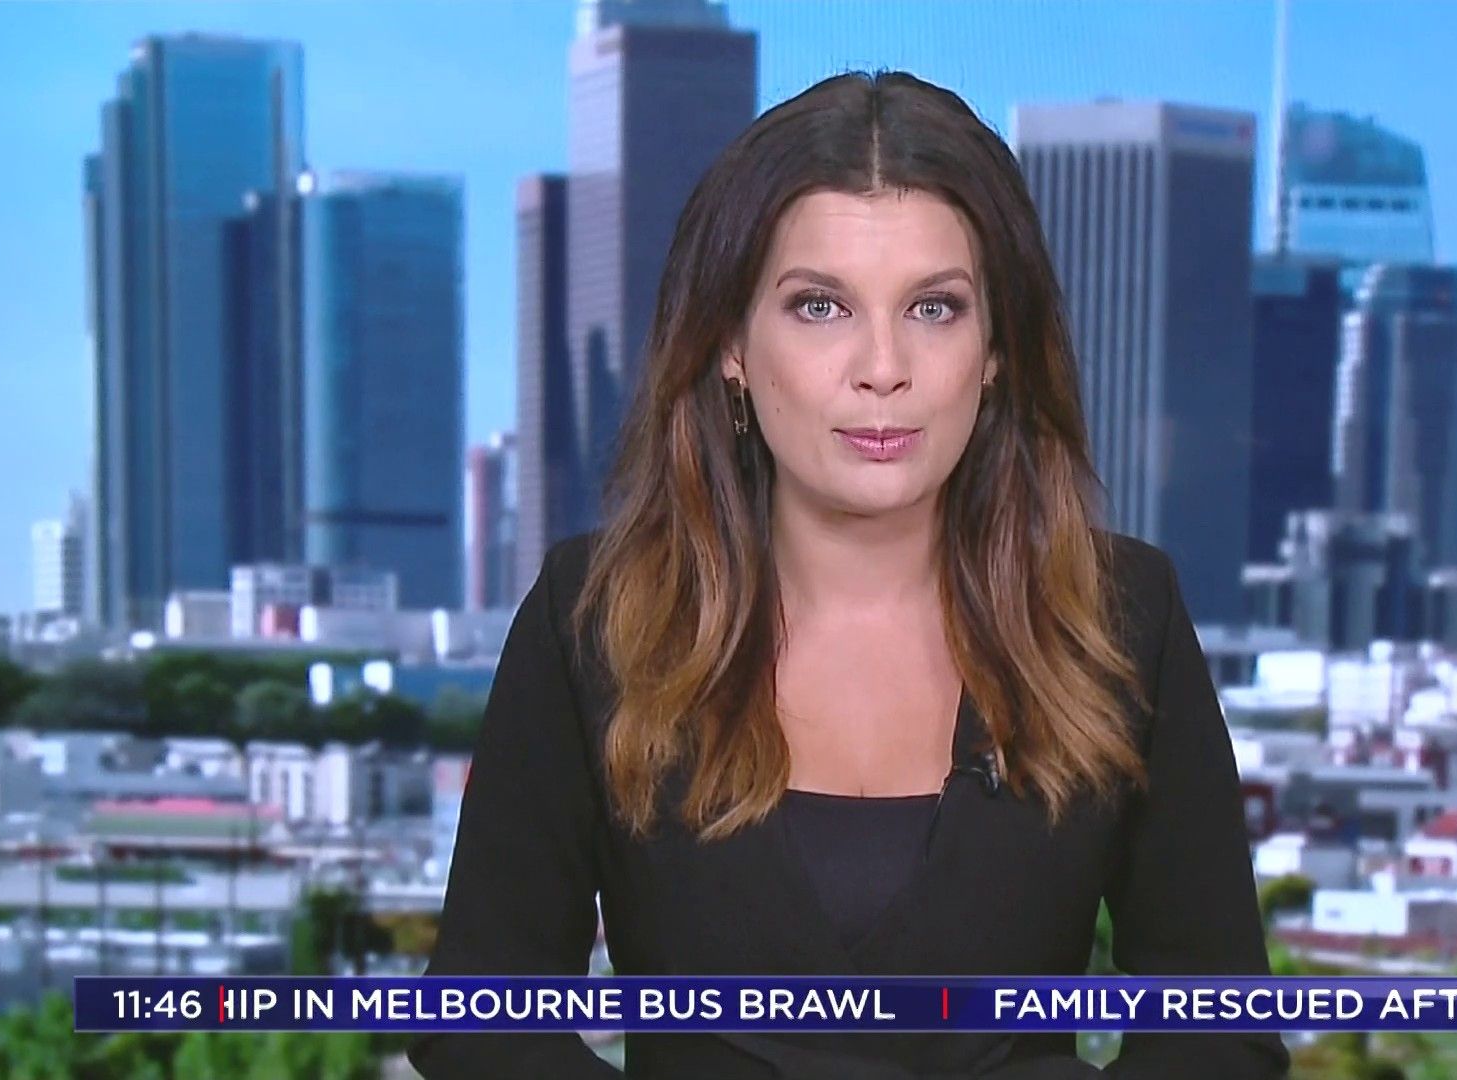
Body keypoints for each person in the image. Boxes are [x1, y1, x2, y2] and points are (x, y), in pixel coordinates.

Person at [410, 69, 1288, 1079]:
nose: (883, 367)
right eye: (820, 306)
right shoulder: (594, 621)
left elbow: (1220, 1029)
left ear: (996, 350)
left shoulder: (1122, 617)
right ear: (730, 344)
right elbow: (480, 1020)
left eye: (936, 308)